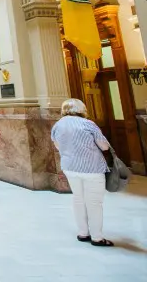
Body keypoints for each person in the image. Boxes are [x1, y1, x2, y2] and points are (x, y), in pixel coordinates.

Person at [51, 98, 112, 247]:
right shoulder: (88, 124)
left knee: (78, 199)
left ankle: (83, 232)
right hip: (91, 168)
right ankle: (97, 237)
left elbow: (58, 146)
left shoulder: (58, 125)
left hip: (70, 167)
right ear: (81, 109)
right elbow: (104, 146)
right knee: (94, 203)